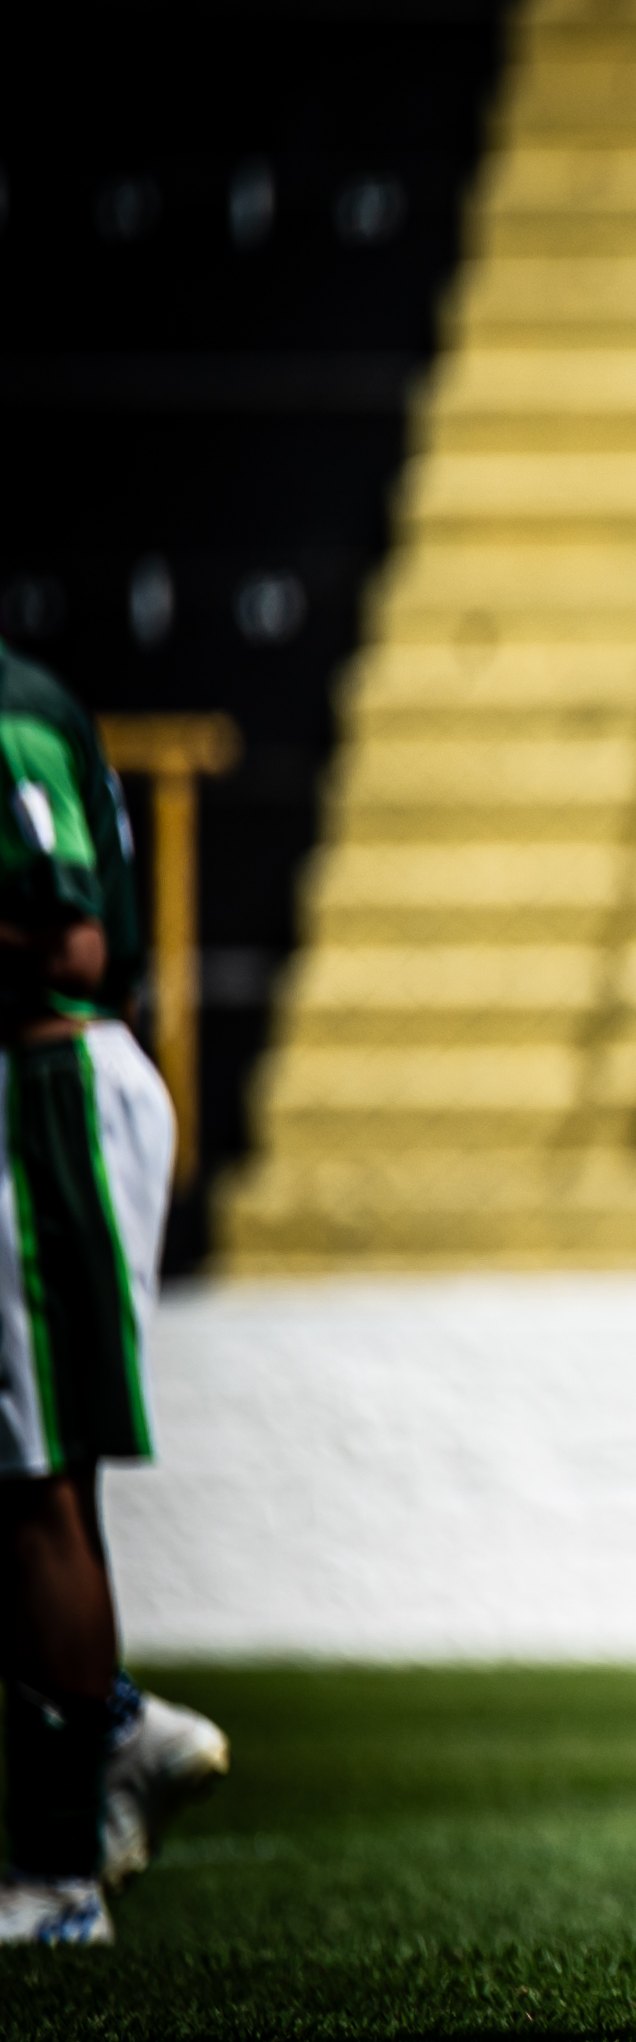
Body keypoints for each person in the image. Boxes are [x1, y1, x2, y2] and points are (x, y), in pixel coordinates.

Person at [0, 646, 227, 1946]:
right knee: (31, 1485)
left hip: (40, 1087)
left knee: (38, 1487)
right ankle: (113, 1727)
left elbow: (68, 934)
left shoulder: (8, 714)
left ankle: (56, 1871)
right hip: (48, 1086)